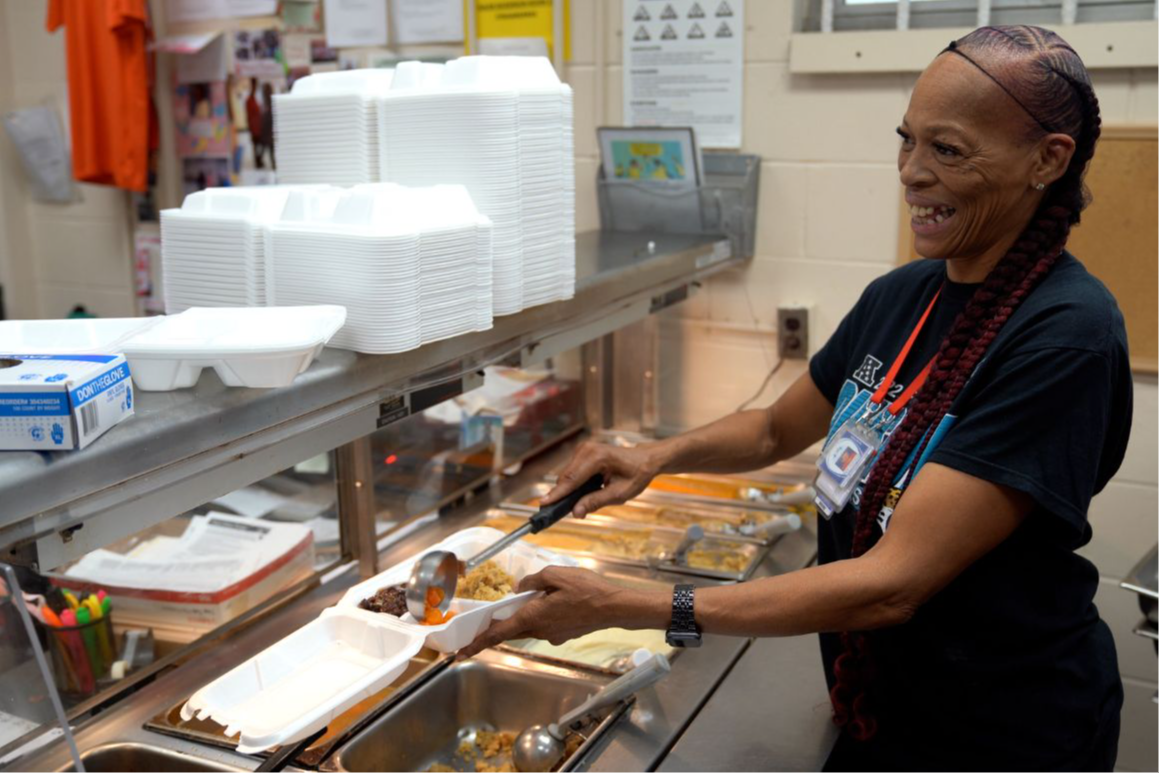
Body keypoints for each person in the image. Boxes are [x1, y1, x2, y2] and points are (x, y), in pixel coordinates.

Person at [461, 26, 1132, 772]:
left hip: (999, 733)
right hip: (884, 705)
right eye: (906, 141)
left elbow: (891, 584)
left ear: (1047, 159)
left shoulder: (1064, 336)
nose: (910, 172)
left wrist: (637, 603)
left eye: (946, 150)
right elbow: (776, 428)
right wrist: (652, 456)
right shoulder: (900, 296)